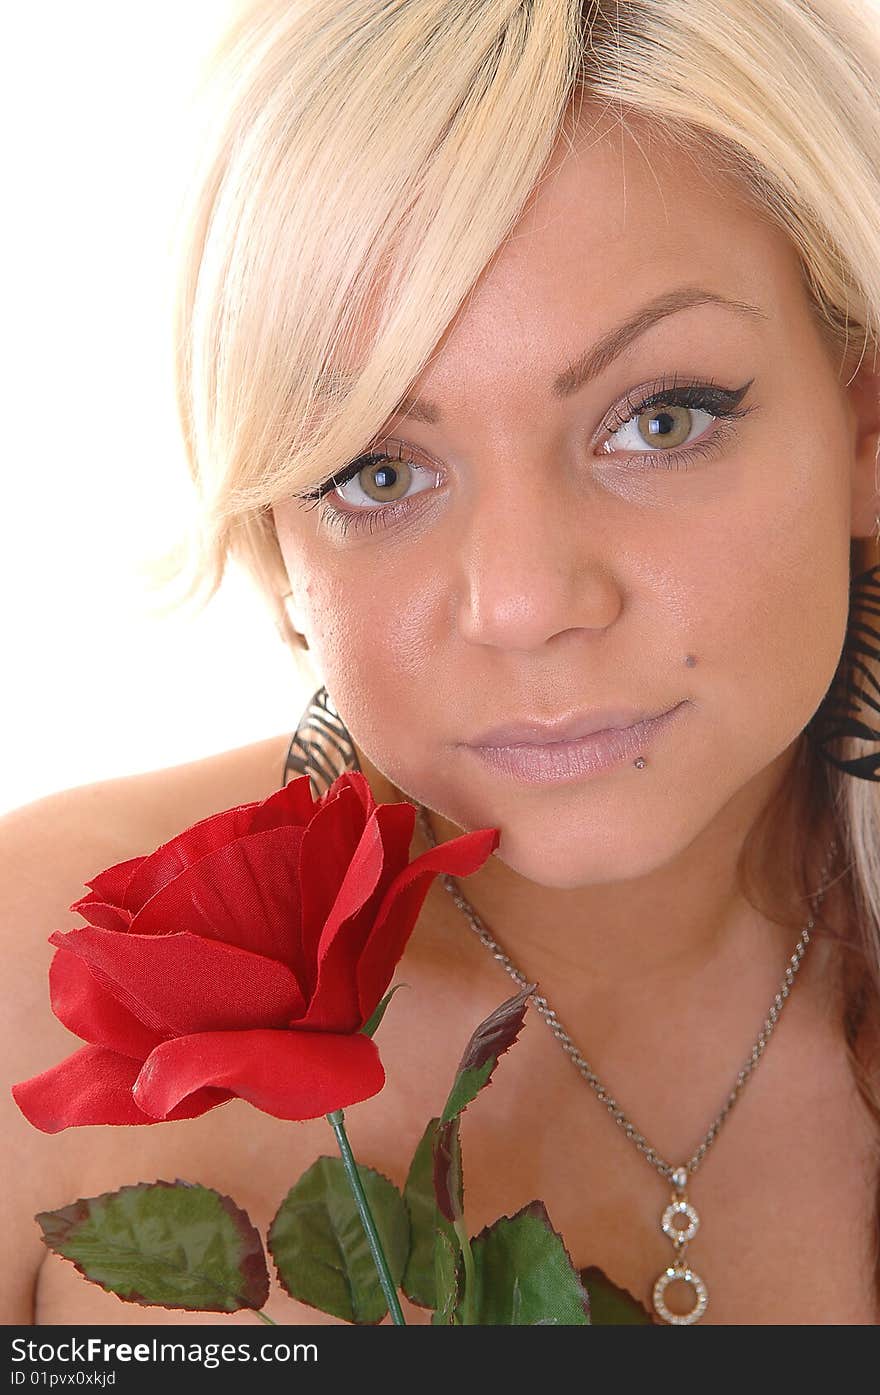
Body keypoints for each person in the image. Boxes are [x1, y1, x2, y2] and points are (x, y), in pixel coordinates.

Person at [2, 0, 880, 1326]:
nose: (525, 603)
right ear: (272, 531)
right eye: (380, 468)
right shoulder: (32, 965)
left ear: (865, 420)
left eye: (661, 418)